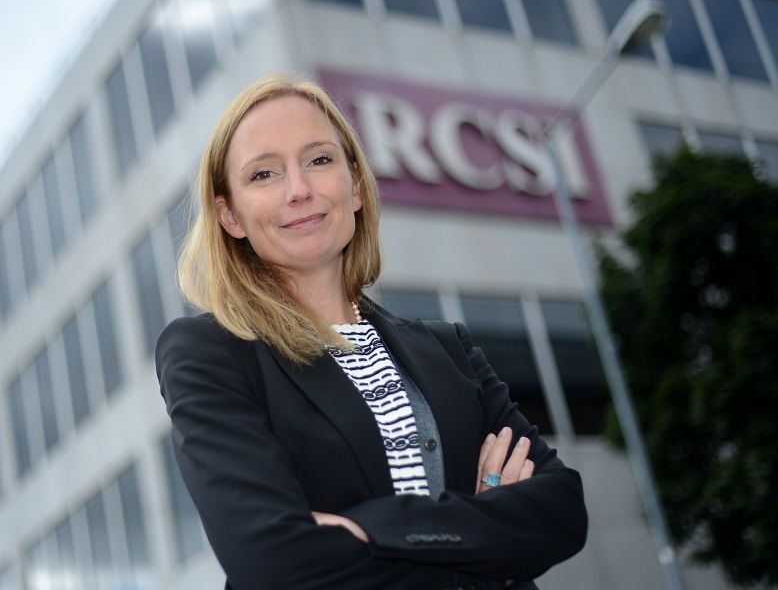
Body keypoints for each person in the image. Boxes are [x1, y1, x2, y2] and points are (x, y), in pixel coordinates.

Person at [155, 73, 588, 590]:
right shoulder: (209, 354)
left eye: (319, 160)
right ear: (230, 217)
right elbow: (271, 559)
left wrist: (367, 530)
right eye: (264, 174)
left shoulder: (448, 348)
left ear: (356, 186)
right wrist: (486, 533)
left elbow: (561, 511)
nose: (299, 190)